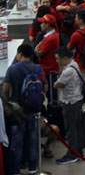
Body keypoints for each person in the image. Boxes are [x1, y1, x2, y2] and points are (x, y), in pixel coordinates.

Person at [3, 44, 47, 175]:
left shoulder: (12, 69)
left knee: (17, 140)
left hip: (17, 110)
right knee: (33, 138)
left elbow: (5, 90)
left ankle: (16, 169)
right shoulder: (38, 68)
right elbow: (45, 88)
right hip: (34, 109)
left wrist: (9, 103)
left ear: (20, 54)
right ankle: (33, 167)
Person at [53, 47, 84, 164]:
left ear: (65, 58)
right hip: (77, 99)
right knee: (77, 128)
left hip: (70, 102)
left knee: (71, 129)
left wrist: (57, 84)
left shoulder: (67, 71)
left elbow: (57, 84)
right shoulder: (74, 64)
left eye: (58, 59)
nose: (57, 61)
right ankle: (78, 152)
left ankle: (72, 154)